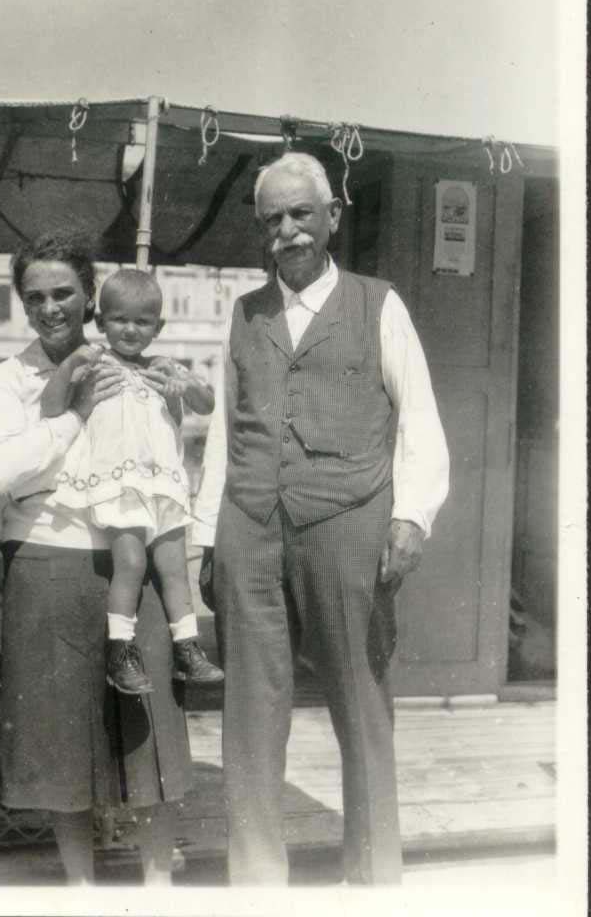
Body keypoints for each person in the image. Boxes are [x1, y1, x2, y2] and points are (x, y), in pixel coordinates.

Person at [192, 153, 450, 885]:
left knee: (362, 704)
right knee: (250, 713)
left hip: (349, 525)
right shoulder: (245, 314)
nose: (289, 231)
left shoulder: (379, 305)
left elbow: (421, 418)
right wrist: (209, 536)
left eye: (302, 213)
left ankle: (373, 879)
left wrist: (413, 517)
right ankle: (257, 883)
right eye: (273, 219)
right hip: (249, 526)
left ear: (333, 215)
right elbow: (224, 434)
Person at [0, 229, 192, 884]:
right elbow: (1, 472)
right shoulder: (6, 379)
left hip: (128, 563)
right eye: (35, 296)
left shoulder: (132, 365)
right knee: (62, 743)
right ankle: (81, 889)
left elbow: (163, 456)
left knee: (149, 731)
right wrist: (72, 417)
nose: (50, 308)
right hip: (45, 562)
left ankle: (159, 885)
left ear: (90, 297)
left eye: (64, 293)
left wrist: (171, 404)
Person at [42, 267, 224, 695]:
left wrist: (185, 385)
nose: (130, 329)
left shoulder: (162, 368)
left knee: (175, 567)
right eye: (119, 319)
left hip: (163, 484)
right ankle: (120, 651)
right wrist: (69, 366)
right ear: (101, 321)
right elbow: (50, 408)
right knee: (132, 562)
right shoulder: (93, 364)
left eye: (142, 322)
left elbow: (207, 404)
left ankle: (188, 648)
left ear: (158, 327)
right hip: (119, 484)